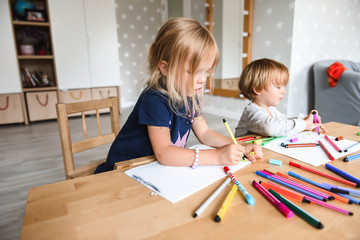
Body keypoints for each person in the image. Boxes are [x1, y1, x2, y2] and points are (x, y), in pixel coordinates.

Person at [95, 17, 262, 173]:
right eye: (193, 72)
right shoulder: (154, 99)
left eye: (205, 71)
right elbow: (165, 153)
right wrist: (217, 156)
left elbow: (204, 133)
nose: (202, 79)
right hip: (125, 170)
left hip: (152, 169)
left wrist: (240, 146)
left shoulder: (189, 94)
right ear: (165, 68)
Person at [234, 58, 323, 138]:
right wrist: (304, 124)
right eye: (278, 87)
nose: (284, 91)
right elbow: (270, 127)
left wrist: (305, 119)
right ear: (257, 89)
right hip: (243, 153)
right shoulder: (252, 111)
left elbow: (284, 122)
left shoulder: (271, 110)